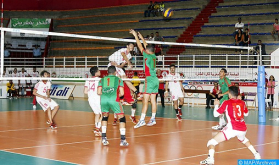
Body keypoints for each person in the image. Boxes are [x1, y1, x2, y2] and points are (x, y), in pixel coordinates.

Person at [200, 86, 261, 165]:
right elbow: (246, 113)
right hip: (242, 128)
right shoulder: (242, 102)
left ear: (229, 94)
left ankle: (210, 159)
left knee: (211, 142)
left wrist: (216, 105)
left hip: (232, 128)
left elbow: (215, 114)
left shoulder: (227, 102)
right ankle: (256, 154)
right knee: (244, 140)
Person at [130, 29, 159, 128]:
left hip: (149, 80)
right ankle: (153, 119)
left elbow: (140, 46)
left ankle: (142, 120)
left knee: (145, 100)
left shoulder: (147, 55)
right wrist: (142, 37)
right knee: (153, 100)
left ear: (147, 51)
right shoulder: (154, 55)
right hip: (155, 80)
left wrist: (135, 36)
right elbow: (147, 46)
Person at [97, 66, 129, 146]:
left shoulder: (101, 80)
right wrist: (114, 95)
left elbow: (98, 92)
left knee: (105, 117)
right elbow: (122, 93)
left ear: (107, 72)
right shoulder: (118, 79)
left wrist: (106, 94)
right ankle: (123, 140)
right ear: (115, 72)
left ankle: (104, 138)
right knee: (122, 118)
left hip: (103, 100)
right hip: (114, 99)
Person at [84, 66, 102, 136]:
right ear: (96, 72)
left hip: (90, 99)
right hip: (98, 99)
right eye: (99, 70)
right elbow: (100, 91)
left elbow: (85, 92)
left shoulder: (88, 80)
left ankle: (96, 129)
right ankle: (97, 128)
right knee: (104, 114)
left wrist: (91, 92)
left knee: (97, 114)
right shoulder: (100, 80)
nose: (100, 72)